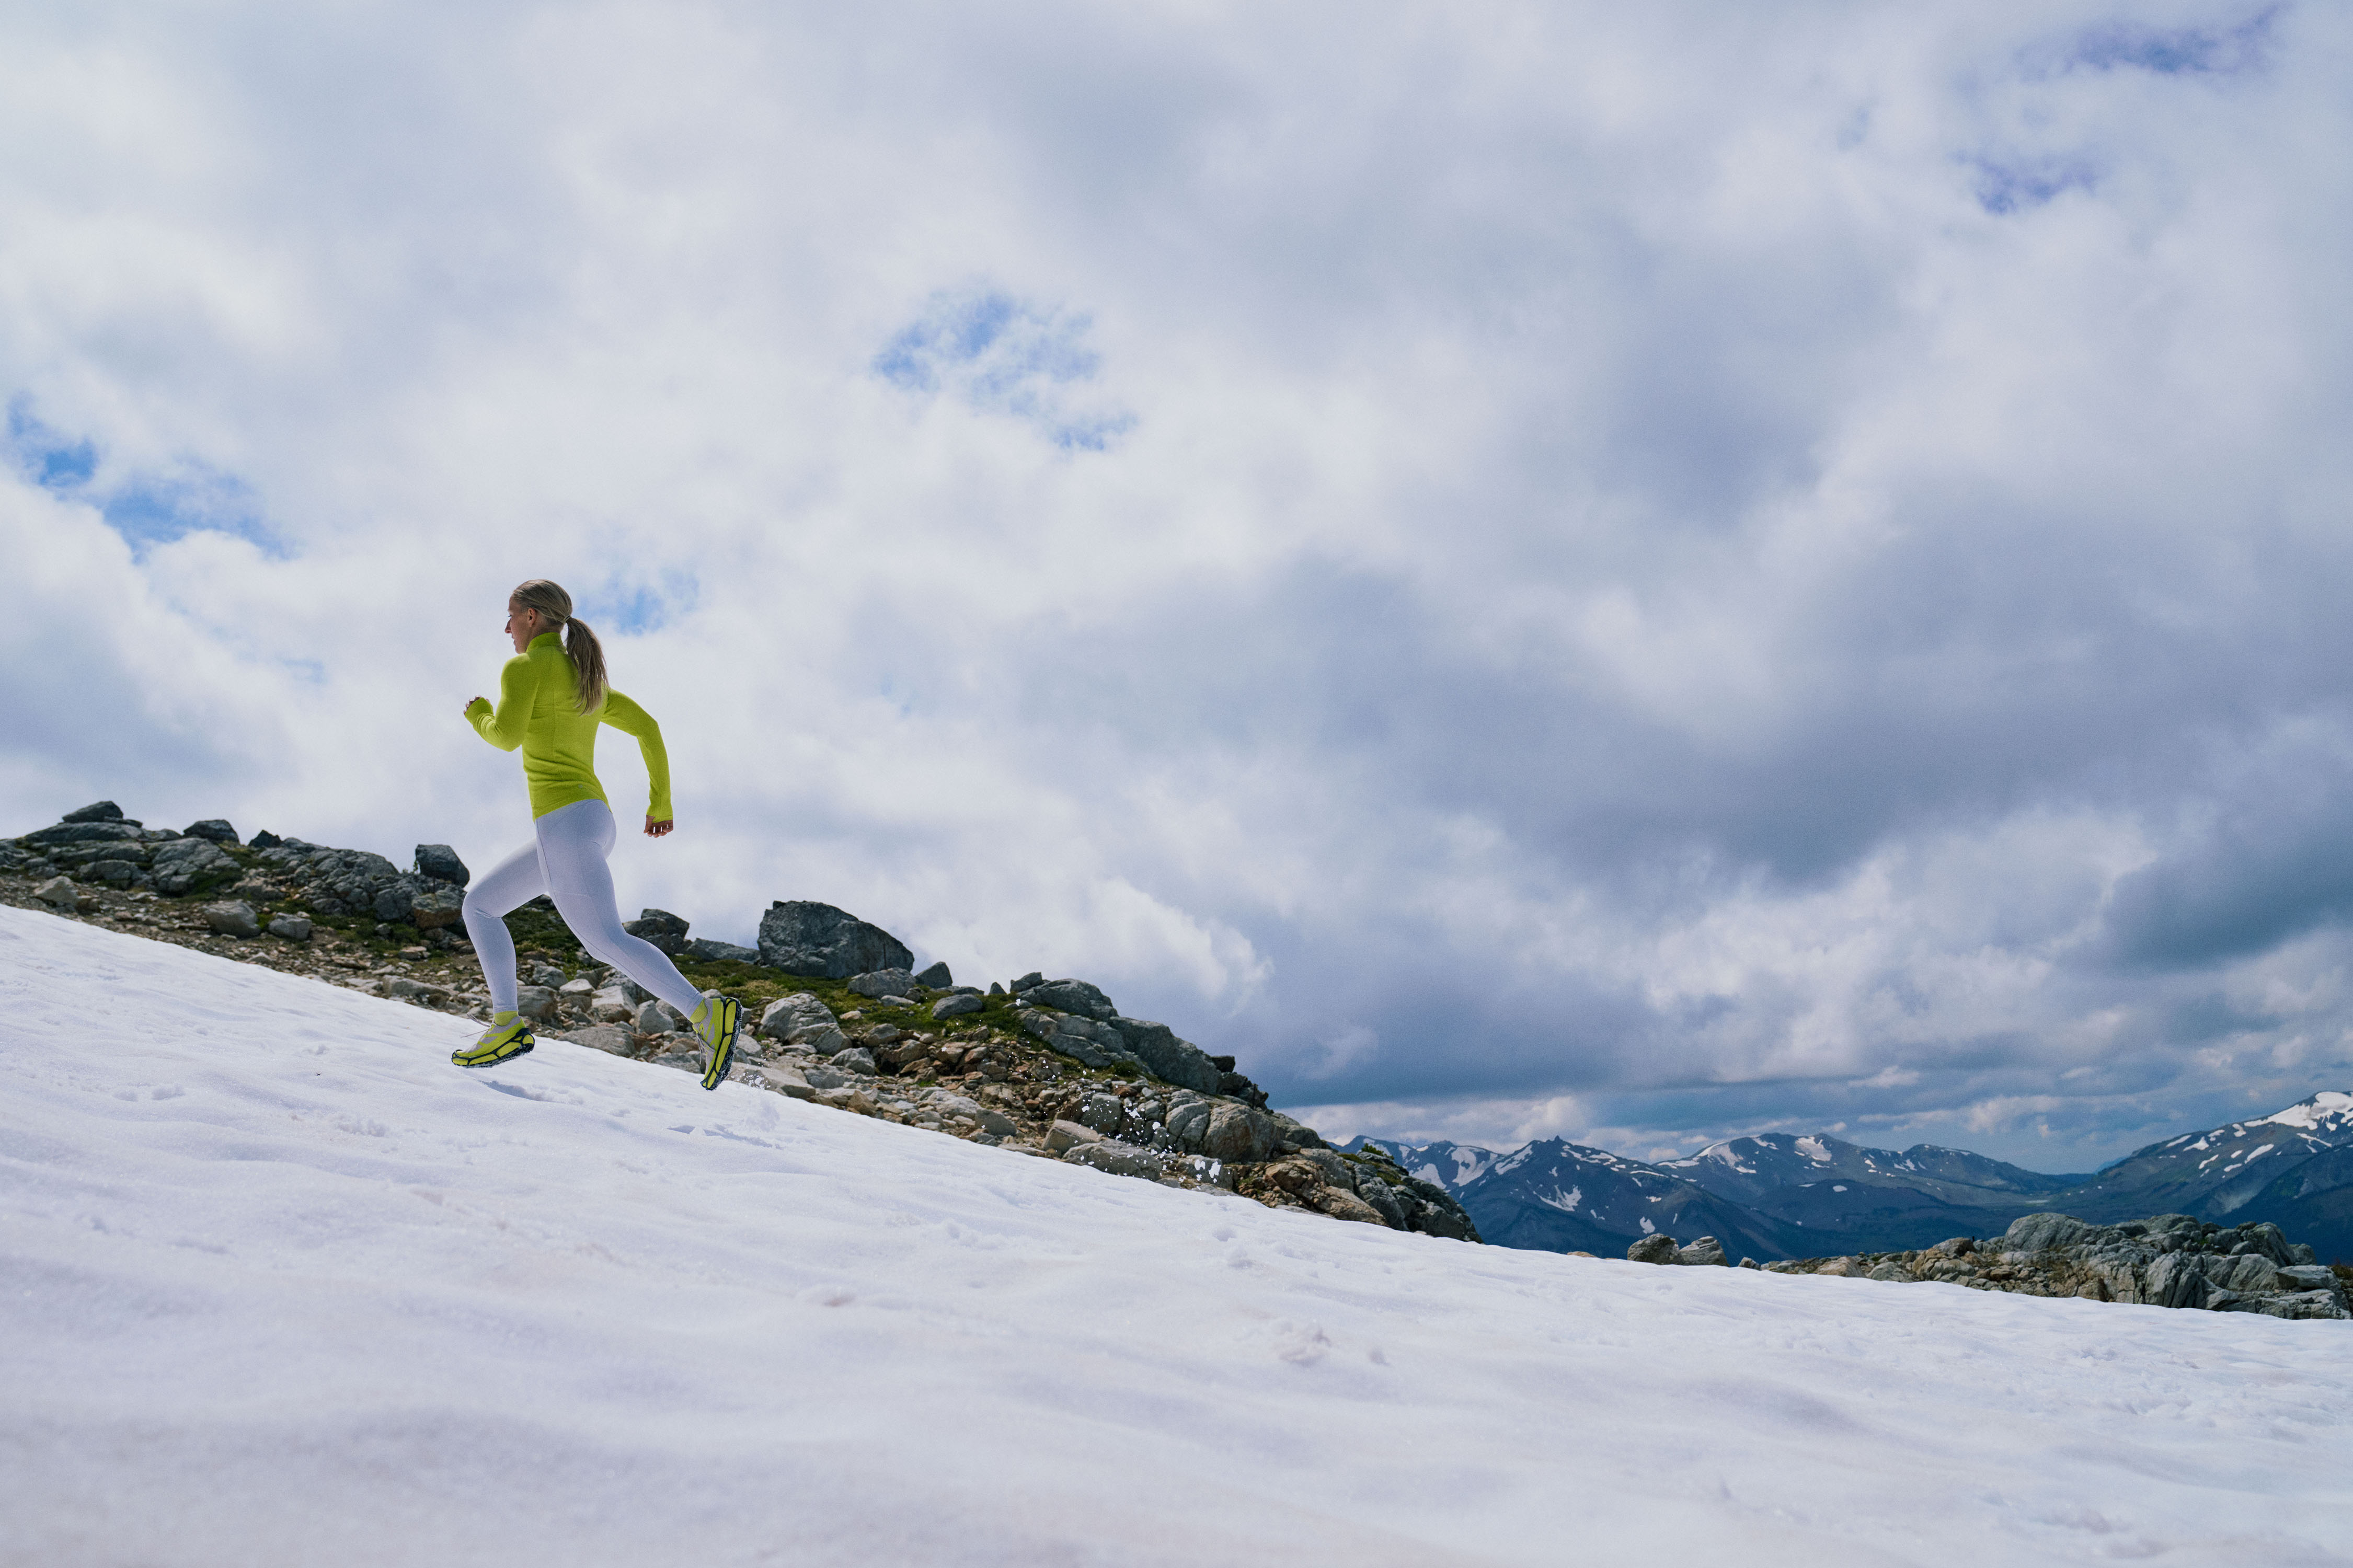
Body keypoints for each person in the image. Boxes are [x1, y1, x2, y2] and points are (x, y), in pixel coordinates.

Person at [452, 579, 740, 1090]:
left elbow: (506, 737)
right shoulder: (585, 678)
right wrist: (660, 803)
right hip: (589, 822)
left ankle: (705, 1013)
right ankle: (505, 1023)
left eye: (512, 616)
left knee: (604, 940)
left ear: (534, 618)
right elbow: (648, 727)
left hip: (563, 823)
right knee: (480, 905)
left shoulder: (524, 668)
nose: (507, 628)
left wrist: (479, 716)